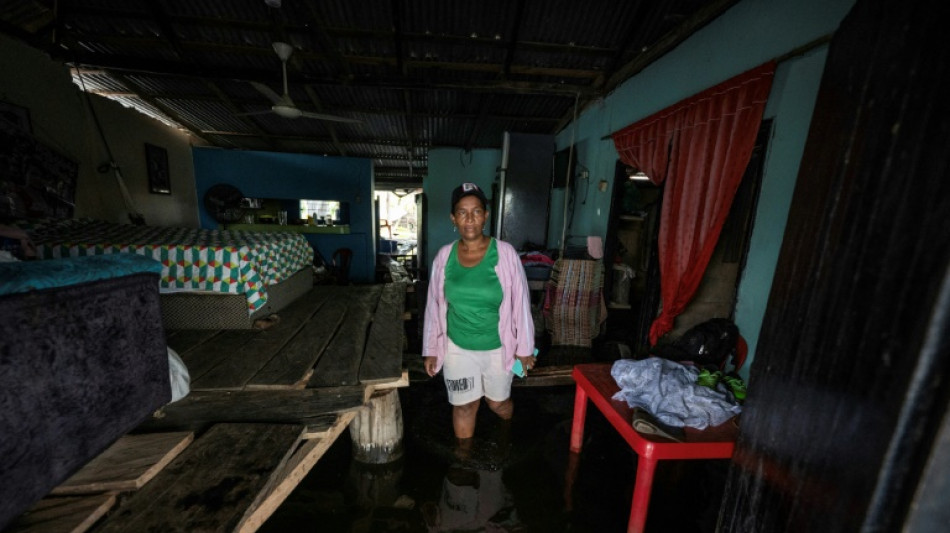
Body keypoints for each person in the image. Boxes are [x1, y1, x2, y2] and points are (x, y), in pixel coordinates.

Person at [422, 182, 536, 455]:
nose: (470, 218)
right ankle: (462, 463)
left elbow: (521, 303)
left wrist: (524, 349)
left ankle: (505, 430)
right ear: (453, 218)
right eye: (462, 212)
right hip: (457, 346)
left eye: (476, 211)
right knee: (464, 405)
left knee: (497, 403)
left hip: (498, 346)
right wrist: (431, 349)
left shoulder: (505, 254)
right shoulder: (444, 257)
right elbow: (434, 305)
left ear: (486, 216)